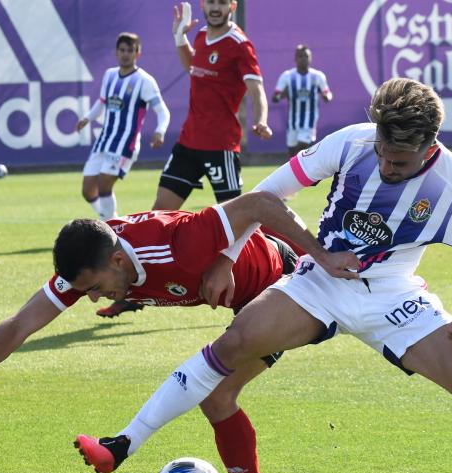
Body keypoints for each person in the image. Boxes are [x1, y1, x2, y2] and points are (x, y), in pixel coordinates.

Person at [77, 78, 452, 473]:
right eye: (383, 150)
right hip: (318, 281)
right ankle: (122, 444)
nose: (387, 165)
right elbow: (267, 195)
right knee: (232, 345)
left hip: (393, 294)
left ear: (431, 146)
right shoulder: (353, 141)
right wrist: (228, 256)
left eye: (400, 161)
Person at [0, 193, 314, 473]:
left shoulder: (178, 241)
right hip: (246, 301)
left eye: (95, 288)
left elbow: (260, 204)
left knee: (217, 395)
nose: (89, 299)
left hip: (280, 284)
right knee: (217, 396)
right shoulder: (95, 259)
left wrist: (319, 255)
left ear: (118, 260)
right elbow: (20, 326)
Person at [97, 0, 271, 319]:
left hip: (221, 146)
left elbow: (255, 89)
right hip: (189, 144)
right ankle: (133, 294)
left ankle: (264, 282)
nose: (215, 7)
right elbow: (193, 66)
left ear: (232, 5)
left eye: (222, 2)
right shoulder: (203, 35)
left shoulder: (239, 44)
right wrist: (181, 39)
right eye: (211, 2)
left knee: (243, 221)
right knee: (157, 215)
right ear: (204, 5)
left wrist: (260, 119)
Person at [75, 32, 169, 221]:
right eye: (122, 50)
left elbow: (163, 111)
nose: (126, 54)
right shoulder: (109, 75)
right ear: (116, 52)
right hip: (104, 140)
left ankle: (109, 227)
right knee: (87, 190)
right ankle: (110, 217)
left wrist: (160, 131)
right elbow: (102, 103)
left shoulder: (145, 81)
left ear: (138, 54)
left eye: (130, 50)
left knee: (104, 185)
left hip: (125, 142)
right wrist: (87, 118)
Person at [272, 44, 332, 157]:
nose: (303, 59)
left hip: (309, 121)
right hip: (293, 122)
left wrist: (326, 97)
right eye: (300, 56)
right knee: (292, 152)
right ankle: (295, 171)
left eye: (306, 56)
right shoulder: (287, 76)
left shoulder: (317, 76)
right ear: (295, 59)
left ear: (310, 58)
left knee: (302, 145)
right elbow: (275, 96)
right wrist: (282, 95)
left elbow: (327, 93)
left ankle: (301, 169)